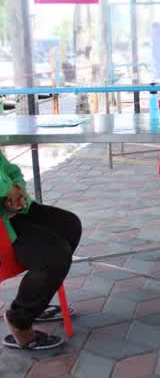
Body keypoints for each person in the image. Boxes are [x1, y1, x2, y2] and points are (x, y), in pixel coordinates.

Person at [0, 150, 82, 350]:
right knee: (54, 255)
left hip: (8, 210)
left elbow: (8, 169)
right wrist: (7, 190)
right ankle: (20, 319)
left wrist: (19, 192)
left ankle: (35, 301)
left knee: (68, 225)